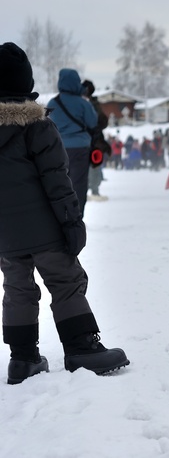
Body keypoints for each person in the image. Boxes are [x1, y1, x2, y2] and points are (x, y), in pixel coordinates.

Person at [0, 42, 129, 384]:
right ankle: (82, 347)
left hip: (6, 234)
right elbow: (58, 182)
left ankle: (22, 358)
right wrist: (72, 222)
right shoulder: (37, 125)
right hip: (45, 229)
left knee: (17, 288)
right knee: (66, 281)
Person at [47, 68, 97, 216]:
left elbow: (48, 124)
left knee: (60, 182)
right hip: (80, 148)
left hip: (58, 149)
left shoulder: (52, 102)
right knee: (79, 183)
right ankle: (77, 215)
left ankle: (61, 214)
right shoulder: (83, 103)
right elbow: (93, 123)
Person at [82, 80, 110, 201]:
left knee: (92, 168)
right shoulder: (91, 103)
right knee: (92, 168)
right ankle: (91, 190)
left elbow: (102, 122)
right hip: (91, 141)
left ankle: (93, 190)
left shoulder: (91, 103)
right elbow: (103, 122)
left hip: (91, 141)